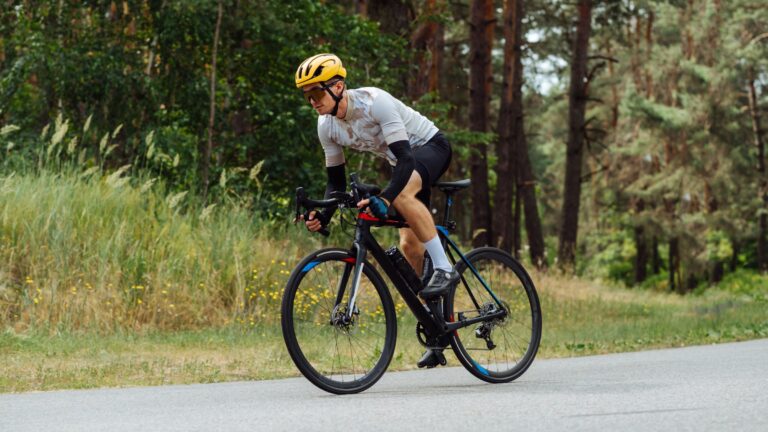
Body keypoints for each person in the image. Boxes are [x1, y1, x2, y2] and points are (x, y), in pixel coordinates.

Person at [296, 53, 458, 368]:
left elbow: (407, 159)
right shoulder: (326, 127)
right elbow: (336, 184)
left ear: (338, 86)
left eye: (317, 93)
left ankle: (445, 267)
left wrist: (385, 196)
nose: (313, 102)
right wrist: (323, 213)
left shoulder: (374, 103)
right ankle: (438, 329)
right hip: (404, 164)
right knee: (410, 246)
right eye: (307, 96)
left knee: (400, 197)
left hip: (429, 149)